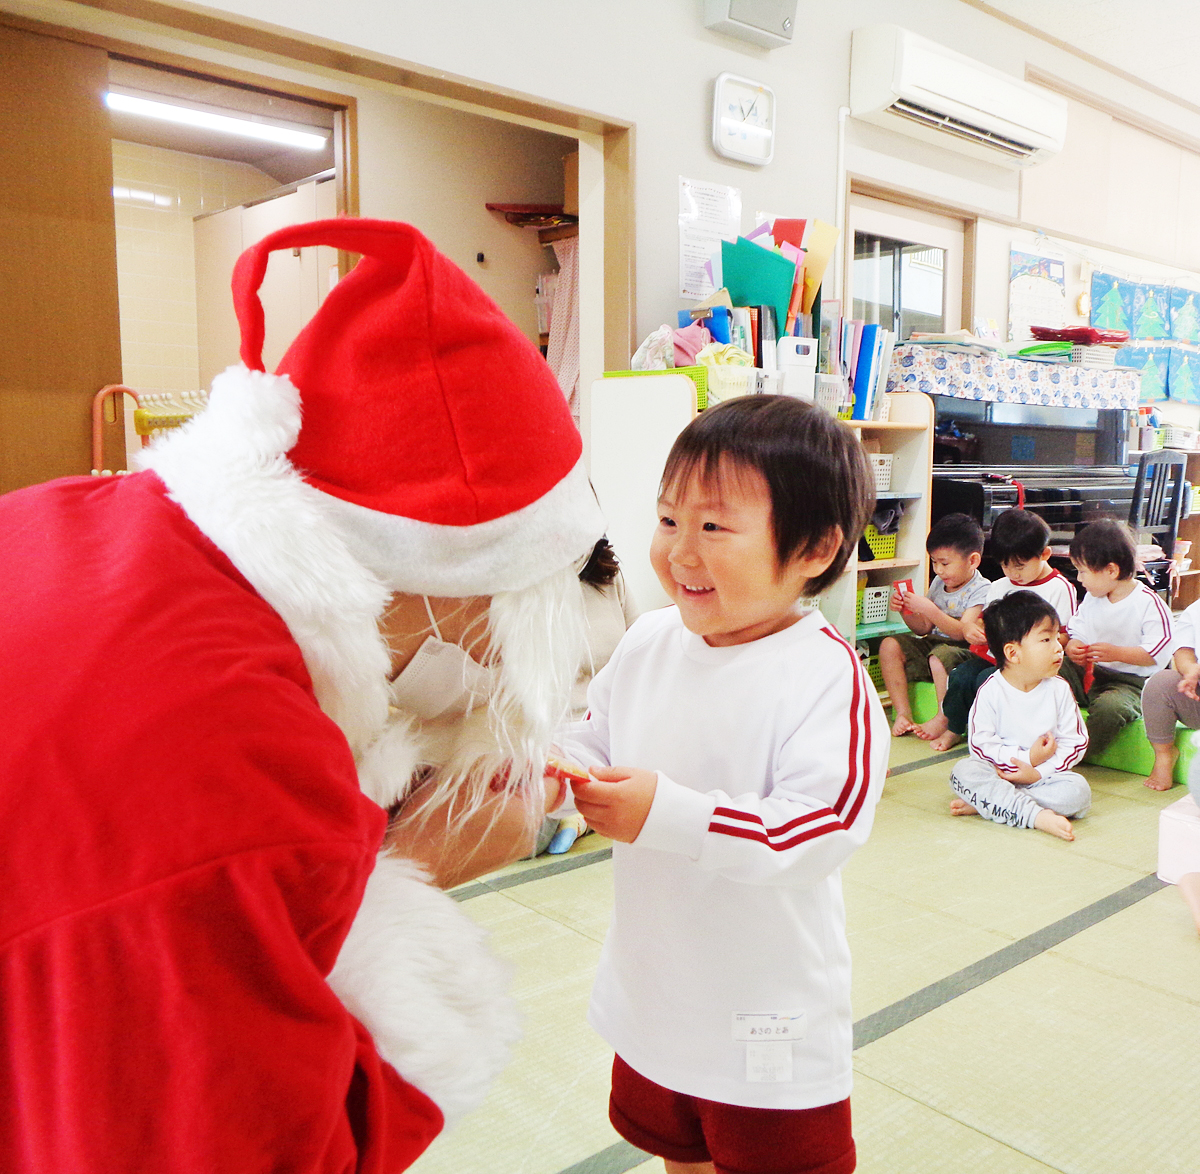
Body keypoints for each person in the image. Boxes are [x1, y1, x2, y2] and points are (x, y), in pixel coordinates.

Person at [0, 219, 606, 1172]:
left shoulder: (81, 524)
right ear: (470, 580)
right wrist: (408, 876)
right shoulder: (242, 773)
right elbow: (271, 1143)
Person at [559, 396, 888, 1174]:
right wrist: (550, 766)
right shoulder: (647, 641)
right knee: (680, 1154)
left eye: (713, 527)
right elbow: (593, 731)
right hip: (656, 990)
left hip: (763, 1012)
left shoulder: (822, 674)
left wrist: (665, 815)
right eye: (669, 520)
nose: (680, 551)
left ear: (813, 548)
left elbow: (820, 827)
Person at [932, 508, 1079, 752]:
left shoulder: (1059, 588)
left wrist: (1034, 646)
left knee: (986, 680)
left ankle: (1004, 737)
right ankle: (955, 728)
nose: (1013, 574)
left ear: (1044, 554)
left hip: (1031, 666)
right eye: (1005, 566)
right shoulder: (1000, 586)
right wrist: (974, 629)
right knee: (961, 676)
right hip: (997, 657)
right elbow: (982, 621)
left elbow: (1064, 636)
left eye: (1020, 566)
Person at [949, 591, 1091, 840]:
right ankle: (1034, 816)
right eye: (1046, 640)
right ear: (1013, 653)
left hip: (1043, 779)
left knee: (1078, 792)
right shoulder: (991, 691)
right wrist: (1027, 758)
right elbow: (981, 745)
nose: (1059, 648)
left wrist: (1039, 771)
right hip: (999, 774)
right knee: (963, 771)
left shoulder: (1059, 689)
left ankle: (991, 803)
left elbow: (1075, 742)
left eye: (1057, 638)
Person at [1065, 518, 1174, 756]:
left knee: (1110, 708)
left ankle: (1076, 754)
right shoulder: (1093, 598)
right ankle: (1036, 732)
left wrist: (1117, 653)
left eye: (1083, 571)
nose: (1080, 579)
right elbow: (1077, 630)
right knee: (1046, 668)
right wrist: (1074, 646)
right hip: (1093, 674)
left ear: (1111, 570)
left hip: (1133, 684)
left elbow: (1157, 653)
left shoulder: (1148, 604)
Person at [879, 512, 990, 741]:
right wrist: (906, 611)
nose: (938, 570)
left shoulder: (982, 589)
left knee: (939, 656)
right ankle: (903, 713)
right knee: (890, 645)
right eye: (934, 562)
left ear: (973, 560)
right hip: (934, 645)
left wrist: (929, 608)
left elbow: (963, 632)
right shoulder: (940, 581)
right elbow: (923, 629)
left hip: (961, 651)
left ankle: (945, 716)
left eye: (945, 563)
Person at [1143, 595, 1200, 791]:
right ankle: (1164, 755)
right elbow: (1183, 650)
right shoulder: (1195, 610)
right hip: (1197, 698)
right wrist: (1190, 669)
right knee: (1160, 684)